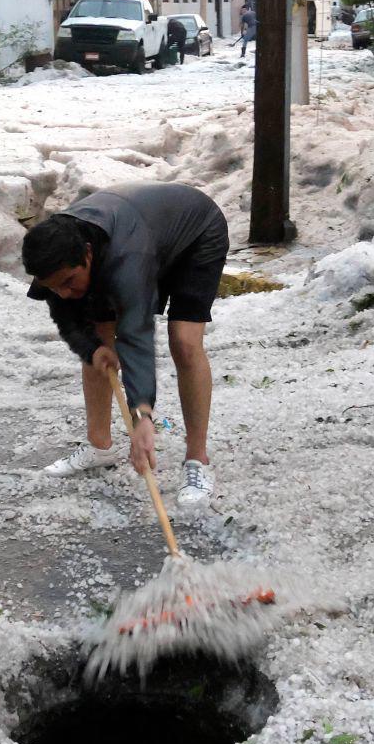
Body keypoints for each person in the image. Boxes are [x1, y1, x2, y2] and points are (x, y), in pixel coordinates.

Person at [22, 183, 230, 506]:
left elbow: (136, 336)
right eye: (55, 286)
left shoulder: (126, 261)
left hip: (196, 232)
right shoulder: (56, 257)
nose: (62, 292)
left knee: (184, 341)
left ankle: (197, 461)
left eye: (68, 282)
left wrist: (142, 416)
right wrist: (91, 349)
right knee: (99, 341)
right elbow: (66, 315)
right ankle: (99, 446)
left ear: (88, 255)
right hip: (140, 230)